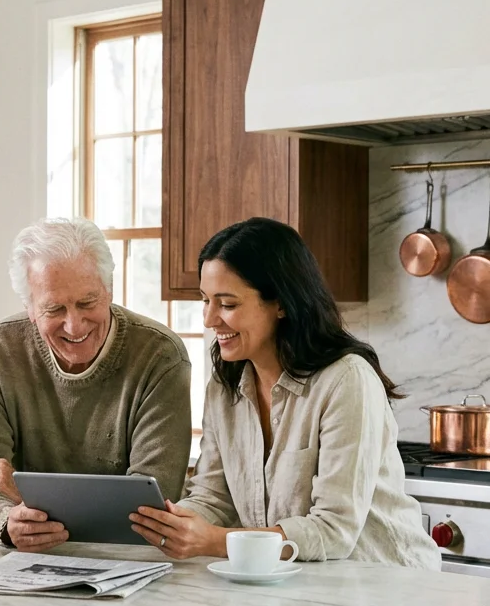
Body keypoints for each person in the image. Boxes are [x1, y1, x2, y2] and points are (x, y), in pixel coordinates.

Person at [129, 217, 440, 567]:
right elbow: (214, 498)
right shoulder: (225, 385)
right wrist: (168, 524)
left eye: (227, 304)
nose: (209, 319)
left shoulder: (347, 381)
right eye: (205, 300)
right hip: (290, 586)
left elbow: (333, 530)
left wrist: (215, 541)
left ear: (281, 303)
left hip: (386, 587)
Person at [0, 218, 192, 552]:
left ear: (109, 290)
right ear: (30, 308)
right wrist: (6, 523)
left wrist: (18, 487)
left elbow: (151, 502)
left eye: (87, 302)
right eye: (54, 308)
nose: (74, 324)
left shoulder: (161, 355)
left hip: (130, 559)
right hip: (25, 558)